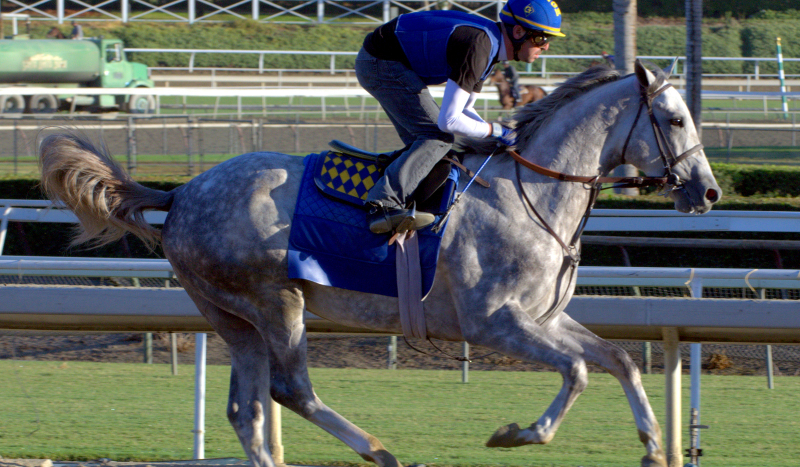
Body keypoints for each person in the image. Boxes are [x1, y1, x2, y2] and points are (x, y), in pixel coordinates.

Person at [355, 0, 564, 234]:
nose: (546, 47)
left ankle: (404, 195)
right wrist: (496, 131)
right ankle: (383, 205)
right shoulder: (479, 46)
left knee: (431, 146)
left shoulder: (490, 46)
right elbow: (449, 121)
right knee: (437, 137)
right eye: (541, 38)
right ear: (518, 32)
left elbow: (465, 110)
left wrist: (493, 132)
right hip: (379, 63)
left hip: (387, 60)